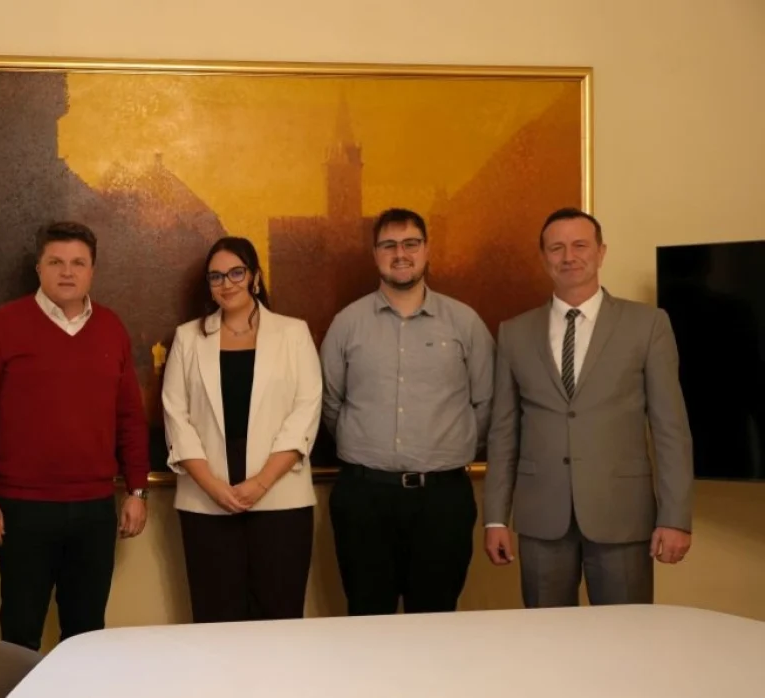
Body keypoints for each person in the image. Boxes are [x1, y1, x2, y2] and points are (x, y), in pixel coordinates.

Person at [0, 220, 150, 651]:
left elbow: (130, 418)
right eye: (56, 262)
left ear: (92, 270)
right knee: (20, 630)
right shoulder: (4, 326)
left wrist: (137, 490)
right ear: (38, 268)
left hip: (94, 509)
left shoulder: (111, 328)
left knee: (86, 633)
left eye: (78, 263)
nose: (67, 272)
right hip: (21, 509)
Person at [483, 207, 694, 607]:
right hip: (541, 519)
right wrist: (495, 517)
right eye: (557, 248)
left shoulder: (648, 324)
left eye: (580, 245)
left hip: (622, 516)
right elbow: (503, 433)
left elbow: (671, 429)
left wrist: (675, 517)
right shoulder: (514, 332)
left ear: (601, 252)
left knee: (624, 637)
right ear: (544, 257)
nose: (569, 256)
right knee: (547, 637)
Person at [320, 208, 494, 615]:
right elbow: (330, 403)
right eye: (389, 245)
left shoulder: (464, 322)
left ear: (427, 250)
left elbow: (485, 403)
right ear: (375, 254)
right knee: (367, 617)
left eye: (411, 243)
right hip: (364, 498)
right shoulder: (347, 324)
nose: (401, 254)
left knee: (435, 619)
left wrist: (447, 450)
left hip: (442, 501)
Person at [161, 237, 322, 623]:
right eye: (216, 276)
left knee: (279, 615)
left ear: (254, 277)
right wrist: (213, 486)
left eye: (236, 273)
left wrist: (261, 483)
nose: (226, 283)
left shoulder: (293, 333)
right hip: (206, 498)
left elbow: (306, 410)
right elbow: (176, 416)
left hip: (280, 495)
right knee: (216, 618)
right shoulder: (188, 337)